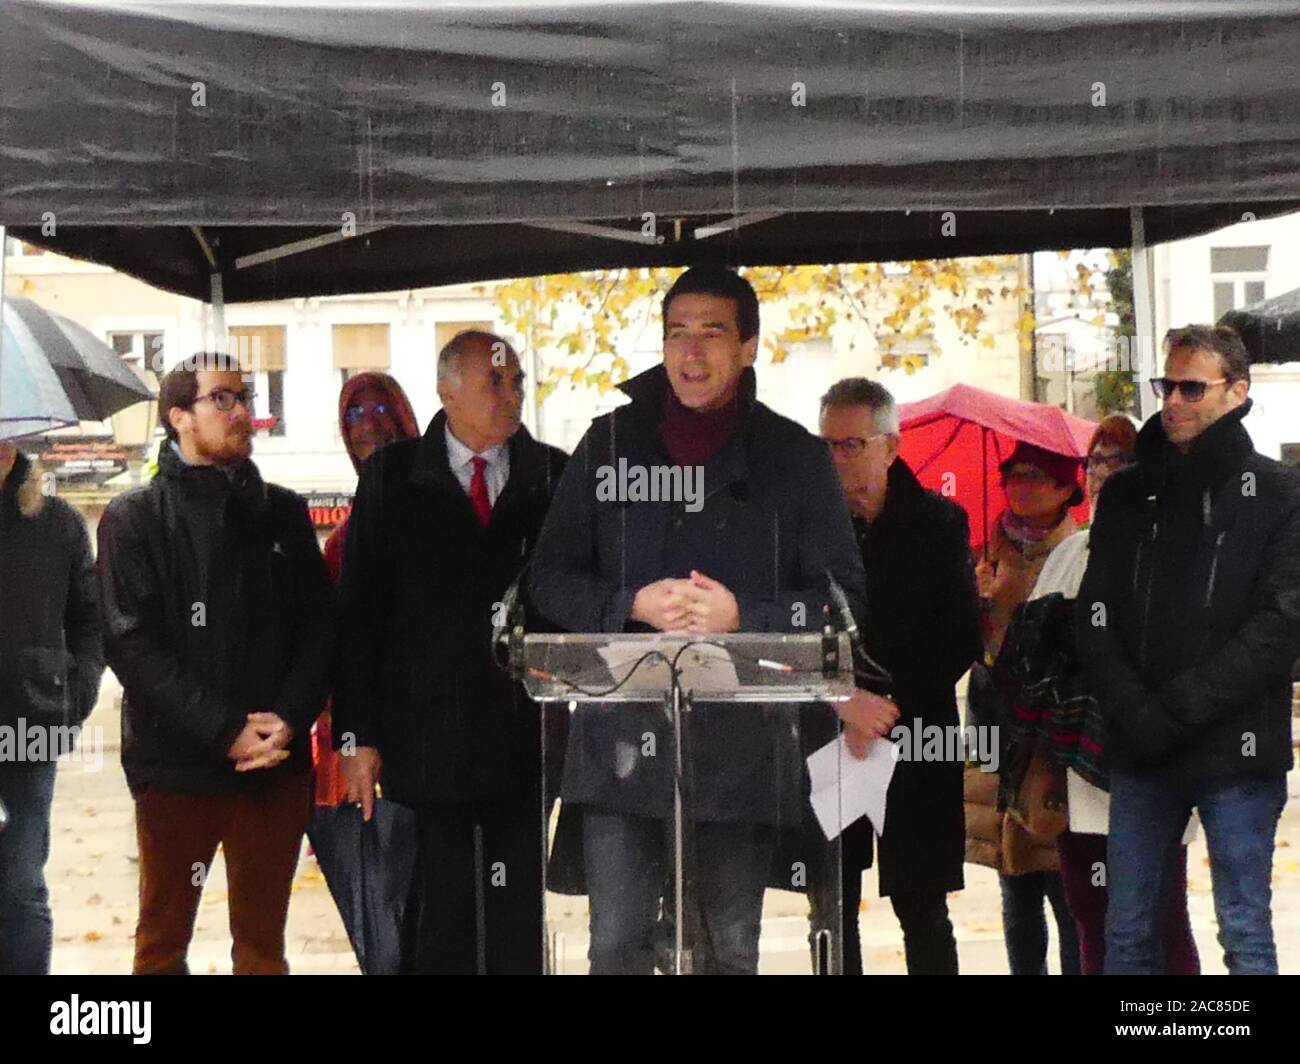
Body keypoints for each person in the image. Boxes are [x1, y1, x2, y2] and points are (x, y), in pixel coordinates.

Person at [527, 266, 887, 975]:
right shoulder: (606, 445)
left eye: (712, 333)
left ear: (750, 346)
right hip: (619, 752)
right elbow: (547, 579)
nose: (691, 353)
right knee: (617, 945)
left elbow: (844, 601)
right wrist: (628, 603)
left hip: (739, 754)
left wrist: (740, 616)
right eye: (676, 334)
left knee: (727, 949)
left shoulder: (795, 459)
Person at [334, 330, 568, 974]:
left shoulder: (553, 474)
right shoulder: (392, 477)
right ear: (447, 390)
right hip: (426, 737)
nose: (511, 392)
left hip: (522, 735)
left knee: (514, 913)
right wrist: (357, 738)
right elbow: (359, 617)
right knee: (441, 916)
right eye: (496, 380)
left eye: (518, 380)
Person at [98, 354, 335, 975]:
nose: (241, 413)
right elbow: (130, 644)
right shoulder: (134, 518)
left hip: (274, 768)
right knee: (160, 946)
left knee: (262, 950)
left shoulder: (281, 511)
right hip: (175, 767)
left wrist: (289, 717)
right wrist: (224, 727)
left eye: (244, 397)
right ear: (179, 417)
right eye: (222, 399)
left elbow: (320, 629)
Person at [1076, 325, 1300, 975]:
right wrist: (1134, 710)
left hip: (1237, 750)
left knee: (1243, 929)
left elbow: (1280, 625)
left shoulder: (1280, 493)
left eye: (1192, 387)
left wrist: (1173, 708)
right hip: (1143, 748)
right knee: (1129, 931)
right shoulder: (1127, 494)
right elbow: (1093, 616)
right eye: (1167, 384)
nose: (1173, 400)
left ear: (1237, 392)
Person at [1015, 415, 1200, 975]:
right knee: (1091, 910)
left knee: (1160, 915)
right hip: (1077, 762)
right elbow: (1033, 651)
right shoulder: (1073, 550)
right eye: (1095, 460)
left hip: (1149, 758)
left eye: (1117, 461)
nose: (1101, 473)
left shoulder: (1175, 547)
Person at [810, 378, 981, 975]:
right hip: (832, 728)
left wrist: (887, 706)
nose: (836, 458)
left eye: (851, 444)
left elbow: (961, 634)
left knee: (922, 901)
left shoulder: (938, 523)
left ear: (890, 446)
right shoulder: (809, 530)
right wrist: (842, 702)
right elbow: (794, 629)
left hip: (916, 728)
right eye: (826, 444)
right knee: (833, 901)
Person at [967, 440, 1082, 975]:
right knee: (1013, 879)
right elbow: (970, 644)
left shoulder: (1079, 549)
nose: (1020, 484)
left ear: (1065, 488)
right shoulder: (987, 550)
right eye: (1013, 474)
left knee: (1065, 880)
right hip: (997, 726)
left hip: (1055, 730)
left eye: (1035, 476)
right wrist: (978, 602)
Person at [0, 442, 103, 975]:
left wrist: (74, 695)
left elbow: (89, 620)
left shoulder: (56, 522)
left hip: (26, 732)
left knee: (19, 886)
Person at [312, 372, 419, 807]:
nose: (367, 424)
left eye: (380, 409)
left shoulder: (440, 501)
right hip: (376, 731)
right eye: (353, 413)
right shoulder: (343, 538)